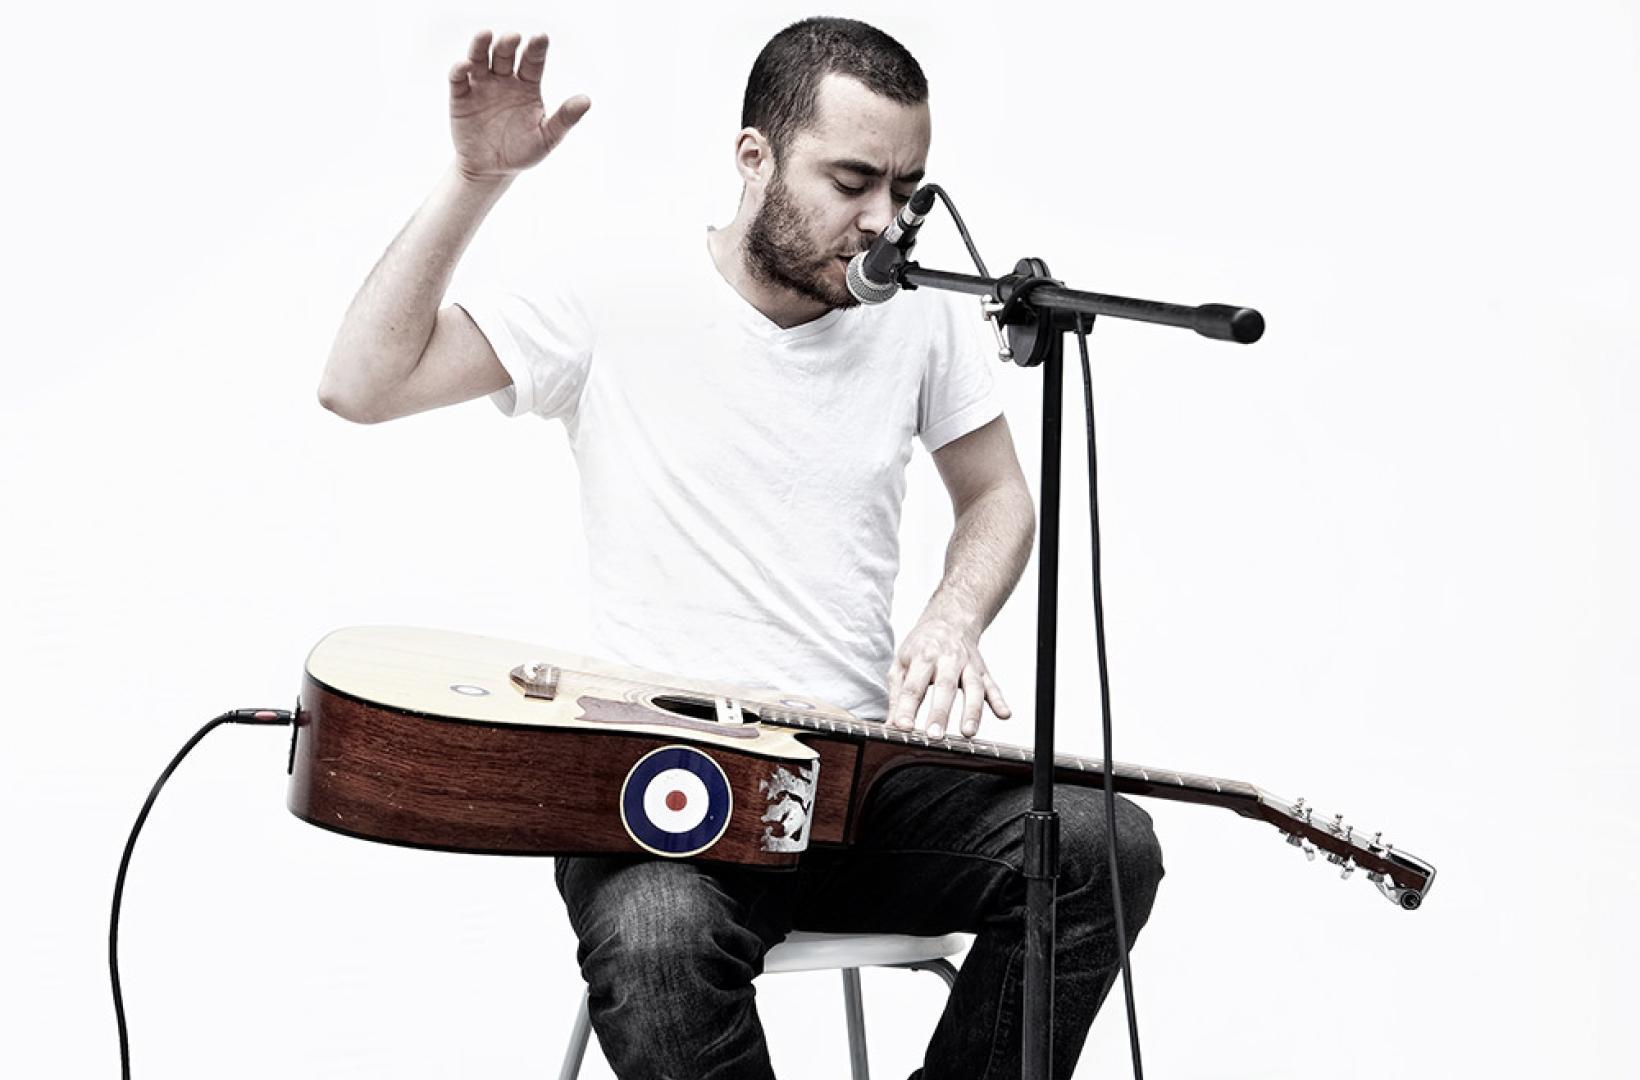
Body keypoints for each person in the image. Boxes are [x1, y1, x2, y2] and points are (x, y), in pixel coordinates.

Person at [319, 17, 1163, 1080]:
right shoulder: (614, 293)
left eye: (906, 190)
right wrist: (474, 180)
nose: (882, 222)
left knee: (1098, 848)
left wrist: (954, 615)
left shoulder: (919, 315)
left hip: (859, 780)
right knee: (657, 940)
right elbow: (361, 384)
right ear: (753, 157)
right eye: (851, 181)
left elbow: (996, 494)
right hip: (663, 788)